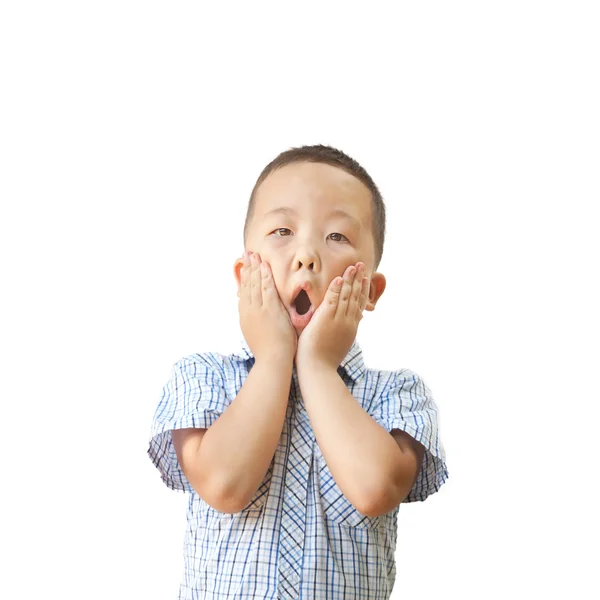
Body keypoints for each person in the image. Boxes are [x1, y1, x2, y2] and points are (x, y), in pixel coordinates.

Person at [147, 144, 449, 599]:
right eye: (283, 230)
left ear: (369, 290)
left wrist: (318, 365)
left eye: (336, 237)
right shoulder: (202, 379)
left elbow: (374, 488)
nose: (306, 255)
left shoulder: (397, 395)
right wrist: (272, 358)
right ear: (244, 274)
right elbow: (224, 484)